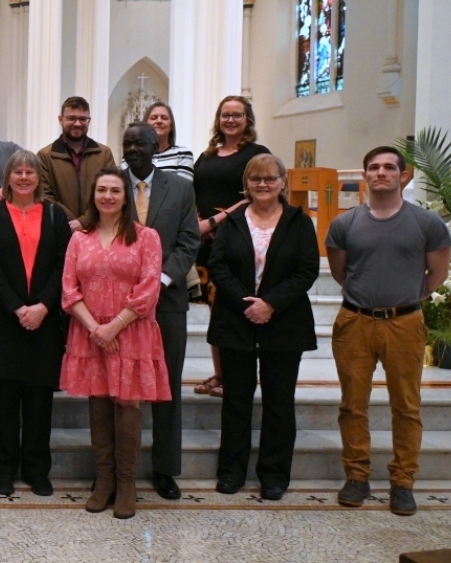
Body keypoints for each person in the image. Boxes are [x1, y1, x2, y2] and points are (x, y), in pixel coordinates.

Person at [326, 146, 451, 516]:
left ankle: (403, 481)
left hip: (405, 322)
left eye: (389, 167)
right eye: (374, 167)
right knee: (352, 405)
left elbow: (438, 274)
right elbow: (340, 272)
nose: (381, 173)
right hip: (355, 321)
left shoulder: (426, 223)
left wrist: (408, 299)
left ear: (403, 175)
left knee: (407, 406)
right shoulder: (345, 224)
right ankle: (357, 475)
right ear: (365, 175)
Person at [207, 154, 319, 501]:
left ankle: (273, 474)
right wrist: (247, 303)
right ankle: (231, 471)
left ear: (283, 182)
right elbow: (218, 265)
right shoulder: (233, 221)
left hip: (284, 322)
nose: (263, 184)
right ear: (247, 184)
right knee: (236, 401)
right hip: (236, 321)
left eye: (270, 178)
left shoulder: (299, 222)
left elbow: (307, 270)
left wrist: (270, 303)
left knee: (279, 402)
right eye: (256, 179)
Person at [60, 167, 169, 520]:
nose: (107, 196)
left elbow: (149, 288)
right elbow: (69, 289)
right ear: (94, 195)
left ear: (126, 198)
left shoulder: (146, 236)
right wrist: (96, 329)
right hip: (91, 332)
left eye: (115, 191)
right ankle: (103, 481)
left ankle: (126, 484)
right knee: (99, 401)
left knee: (127, 404)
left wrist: (115, 326)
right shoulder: (80, 238)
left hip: (131, 331)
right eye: (101, 190)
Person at [0, 150, 71, 497]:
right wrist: (17, 307)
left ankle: (36, 469)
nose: (25, 177)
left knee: (38, 401)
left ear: (39, 178)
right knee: (3, 400)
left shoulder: (54, 216)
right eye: (18, 171)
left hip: (44, 322)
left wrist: (44, 305)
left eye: (31, 171)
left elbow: (65, 265)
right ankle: (3, 469)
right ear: (8, 177)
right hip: (4, 320)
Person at [121, 122, 200, 500]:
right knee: (118, 388)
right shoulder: (110, 184)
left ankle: (165, 469)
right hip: (117, 305)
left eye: (141, 143)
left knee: (166, 388)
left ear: (156, 146)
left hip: (167, 302)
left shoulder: (181, 188)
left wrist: (161, 281)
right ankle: (120, 470)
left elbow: (188, 242)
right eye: (128, 144)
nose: (133, 149)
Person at [191, 96, 271, 398]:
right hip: (207, 244)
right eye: (225, 115)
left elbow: (256, 194)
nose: (231, 120)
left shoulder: (256, 154)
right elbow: (195, 191)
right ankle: (221, 373)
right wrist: (198, 222)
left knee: (236, 307)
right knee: (217, 313)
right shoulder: (208, 155)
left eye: (237, 115)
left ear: (247, 120)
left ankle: (238, 376)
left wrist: (216, 221)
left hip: (239, 238)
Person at [38, 96, 117, 230]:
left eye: (82, 119)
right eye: (71, 118)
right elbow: (44, 194)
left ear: (89, 121)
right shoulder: (45, 156)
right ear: (60, 119)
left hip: (99, 229)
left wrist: (84, 221)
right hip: (60, 230)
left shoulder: (104, 154)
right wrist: (70, 221)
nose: (77, 123)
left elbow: (112, 190)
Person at [143, 102, 195, 181]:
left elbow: (182, 189)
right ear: (145, 124)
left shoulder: (183, 154)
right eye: (154, 118)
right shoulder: (133, 155)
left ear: (171, 125)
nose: (159, 121)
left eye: (164, 118)